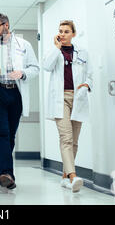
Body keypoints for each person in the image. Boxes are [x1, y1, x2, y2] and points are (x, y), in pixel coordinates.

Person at [0, 13, 39, 189]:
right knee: (2, 133)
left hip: (16, 93)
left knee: (10, 135)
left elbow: (35, 68)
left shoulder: (24, 45)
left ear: (7, 25)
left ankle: (3, 173)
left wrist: (23, 73)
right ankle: (7, 173)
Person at [42, 20, 93, 193]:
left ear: (73, 34)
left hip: (77, 98)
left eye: (66, 31)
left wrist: (86, 85)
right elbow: (46, 66)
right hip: (60, 99)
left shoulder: (83, 52)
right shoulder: (54, 52)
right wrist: (56, 48)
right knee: (66, 138)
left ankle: (65, 177)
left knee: (75, 142)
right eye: (60, 31)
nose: (62, 34)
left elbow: (90, 74)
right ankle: (73, 176)